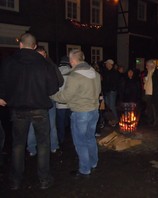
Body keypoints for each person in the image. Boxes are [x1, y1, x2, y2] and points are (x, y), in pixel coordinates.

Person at [0, 33, 60, 190]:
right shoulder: (45, 63)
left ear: (20, 44)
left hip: (18, 110)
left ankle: (15, 180)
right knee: (43, 145)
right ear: (34, 46)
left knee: (18, 145)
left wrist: (2, 96)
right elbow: (54, 87)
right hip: (40, 109)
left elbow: (2, 82)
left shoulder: (9, 62)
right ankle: (44, 179)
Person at [50, 49, 101, 178]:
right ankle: (93, 163)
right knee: (90, 139)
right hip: (94, 111)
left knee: (80, 142)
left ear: (72, 60)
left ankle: (85, 169)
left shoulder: (75, 76)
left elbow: (65, 97)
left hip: (80, 113)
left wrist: (51, 94)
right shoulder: (95, 73)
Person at [27, 46, 63, 155]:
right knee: (34, 124)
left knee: (48, 124)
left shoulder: (48, 66)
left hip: (44, 98)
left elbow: (59, 81)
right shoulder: (48, 65)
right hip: (38, 99)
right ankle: (34, 147)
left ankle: (51, 146)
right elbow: (59, 82)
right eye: (41, 55)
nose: (42, 57)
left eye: (43, 55)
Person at [143, 60, 158, 126]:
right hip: (148, 93)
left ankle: (156, 123)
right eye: (146, 65)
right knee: (149, 109)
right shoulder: (148, 73)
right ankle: (150, 121)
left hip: (155, 94)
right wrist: (145, 81)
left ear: (152, 66)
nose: (146, 67)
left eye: (147, 65)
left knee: (155, 109)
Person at [55, 56, 72, 145]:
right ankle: (71, 137)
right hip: (70, 101)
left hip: (59, 101)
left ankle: (61, 139)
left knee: (60, 122)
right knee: (70, 120)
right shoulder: (72, 71)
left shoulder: (56, 71)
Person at [101, 59, 120, 127]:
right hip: (106, 91)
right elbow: (104, 82)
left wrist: (112, 89)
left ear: (110, 64)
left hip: (112, 91)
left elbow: (115, 83)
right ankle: (111, 120)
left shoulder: (115, 72)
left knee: (112, 106)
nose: (106, 65)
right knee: (108, 106)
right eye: (106, 64)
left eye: (107, 63)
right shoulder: (105, 72)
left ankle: (115, 119)